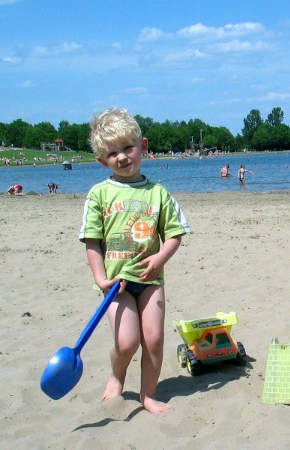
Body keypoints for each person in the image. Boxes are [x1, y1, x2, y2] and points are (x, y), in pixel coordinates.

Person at [79, 108, 190, 414]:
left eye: (128, 148)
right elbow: (92, 242)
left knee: (153, 339)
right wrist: (102, 280)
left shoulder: (159, 194)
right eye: (112, 154)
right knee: (127, 342)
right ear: (103, 160)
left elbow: (175, 234)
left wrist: (160, 258)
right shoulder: (99, 194)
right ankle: (117, 375)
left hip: (151, 280)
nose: (123, 157)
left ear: (143, 147)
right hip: (117, 284)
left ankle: (148, 394)